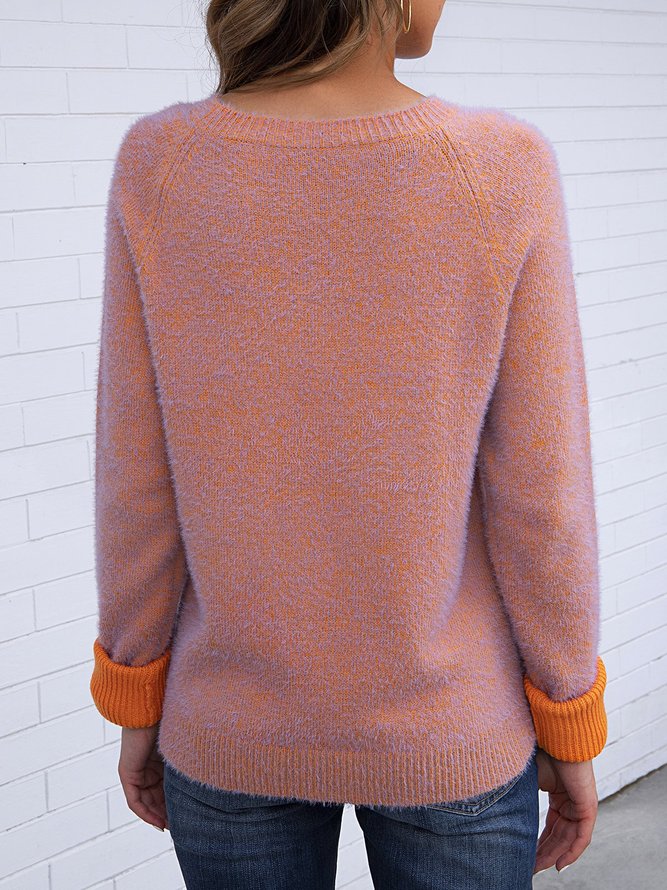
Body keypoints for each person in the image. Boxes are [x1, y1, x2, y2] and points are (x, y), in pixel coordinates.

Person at [88, 1, 608, 887]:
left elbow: (135, 476)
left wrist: (137, 693)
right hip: (452, 732)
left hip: (227, 728)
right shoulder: (499, 165)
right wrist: (567, 715)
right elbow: (541, 489)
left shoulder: (161, 162)